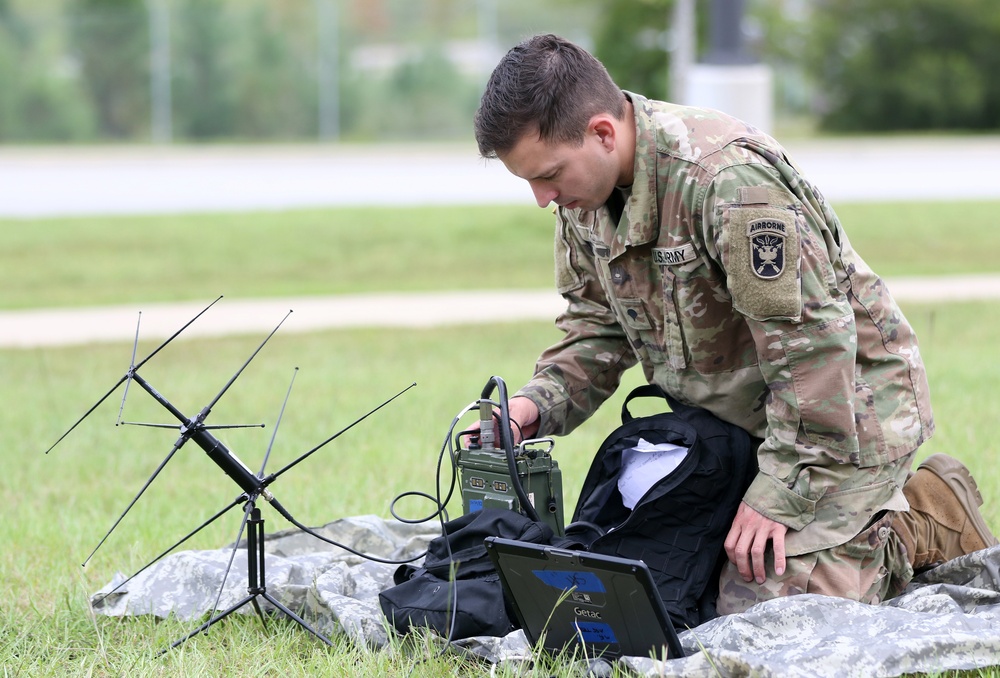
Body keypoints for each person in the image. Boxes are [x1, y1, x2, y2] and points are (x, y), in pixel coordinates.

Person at [472, 33, 997, 614]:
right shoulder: (587, 198)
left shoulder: (726, 181)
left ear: (601, 132)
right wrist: (529, 408)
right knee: (659, 582)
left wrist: (778, 494)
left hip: (845, 419)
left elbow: (813, 349)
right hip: (732, 426)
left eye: (547, 176)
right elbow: (598, 328)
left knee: (771, 612)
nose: (542, 199)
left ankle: (925, 513)